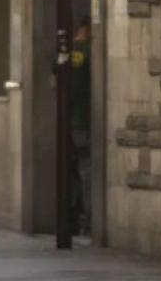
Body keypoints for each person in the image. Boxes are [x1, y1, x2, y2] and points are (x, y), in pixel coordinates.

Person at [69, 17, 91, 235]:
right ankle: (87, 218)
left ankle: (76, 217)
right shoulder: (89, 50)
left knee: (77, 170)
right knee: (86, 169)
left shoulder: (68, 50)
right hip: (85, 119)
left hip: (72, 121)